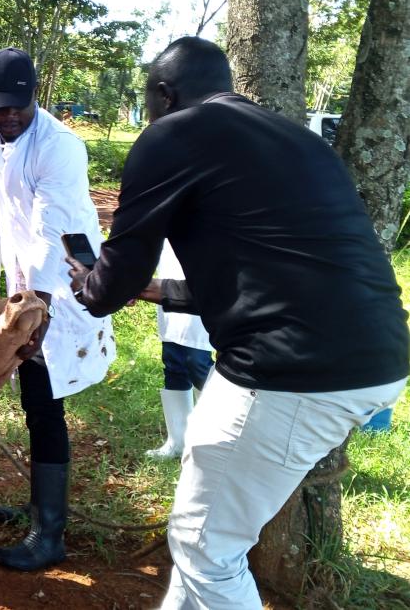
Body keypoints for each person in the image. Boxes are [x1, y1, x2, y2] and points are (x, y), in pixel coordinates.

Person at [67, 37, 408, 609]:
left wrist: (92, 284)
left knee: (207, 546)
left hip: (289, 371)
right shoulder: (295, 138)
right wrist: (154, 292)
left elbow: (111, 281)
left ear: (163, 94)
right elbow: (270, 276)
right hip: (379, 356)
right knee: (201, 531)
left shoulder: (171, 134)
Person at [0, 47, 115, 571]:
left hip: (63, 284)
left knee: (45, 398)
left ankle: (49, 534)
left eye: (18, 108)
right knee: (32, 397)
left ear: (35, 98)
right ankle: (37, 506)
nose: (7, 117)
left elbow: (53, 232)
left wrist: (39, 311)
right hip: (20, 281)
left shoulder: (61, 147)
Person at [146, 240, 213, 460]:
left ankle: (213, 438)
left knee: (198, 362)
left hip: (202, 284)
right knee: (173, 362)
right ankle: (178, 441)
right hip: (168, 282)